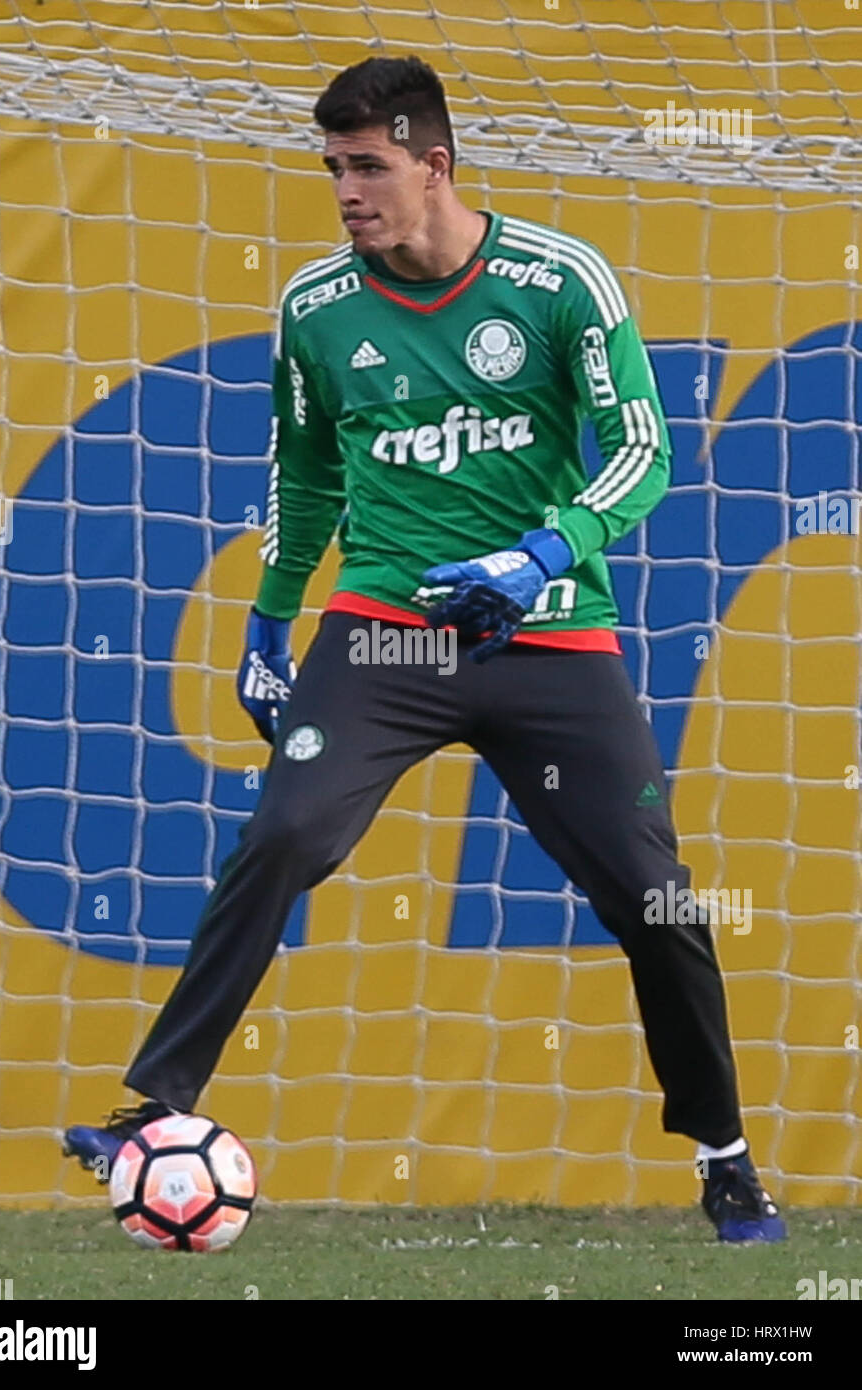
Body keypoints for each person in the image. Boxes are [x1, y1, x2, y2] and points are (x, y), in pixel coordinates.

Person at [64, 55, 785, 1243]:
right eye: (333, 168)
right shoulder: (315, 308)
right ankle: (151, 1108)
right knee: (287, 830)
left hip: (543, 634)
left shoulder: (558, 282)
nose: (346, 191)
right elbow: (303, 474)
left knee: (655, 900)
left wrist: (543, 553)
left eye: (367, 166)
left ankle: (724, 1158)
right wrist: (267, 616)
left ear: (432, 162)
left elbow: (642, 448)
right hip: (385, 634)